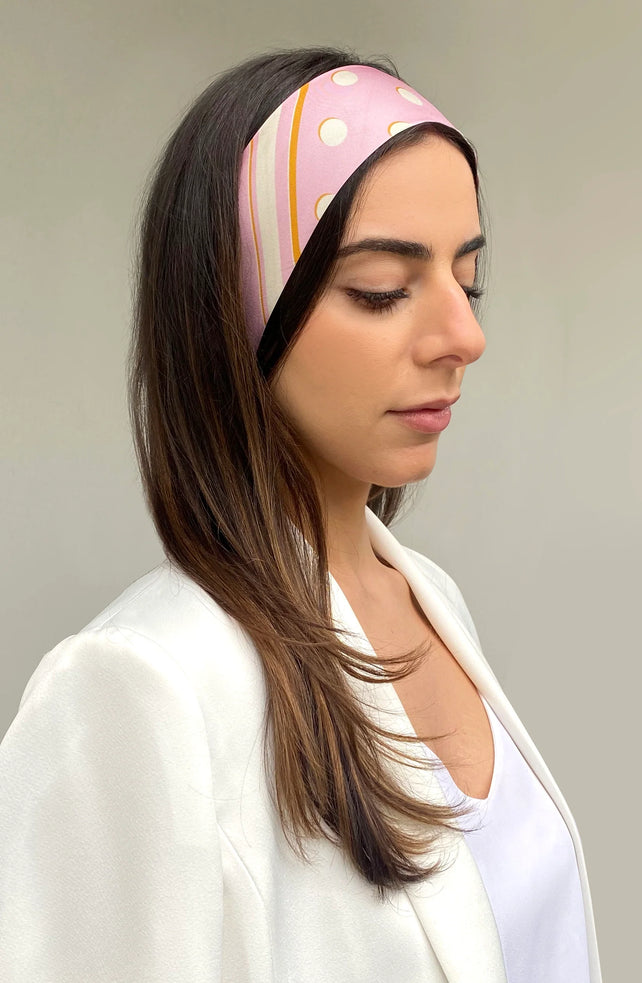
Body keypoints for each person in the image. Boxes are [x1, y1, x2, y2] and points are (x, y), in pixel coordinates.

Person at [0, 47, 602, 983]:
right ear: (236, 317)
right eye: (382, 288)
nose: (465, 335)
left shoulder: (430, 600)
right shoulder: (146, 687)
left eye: (468, 279)